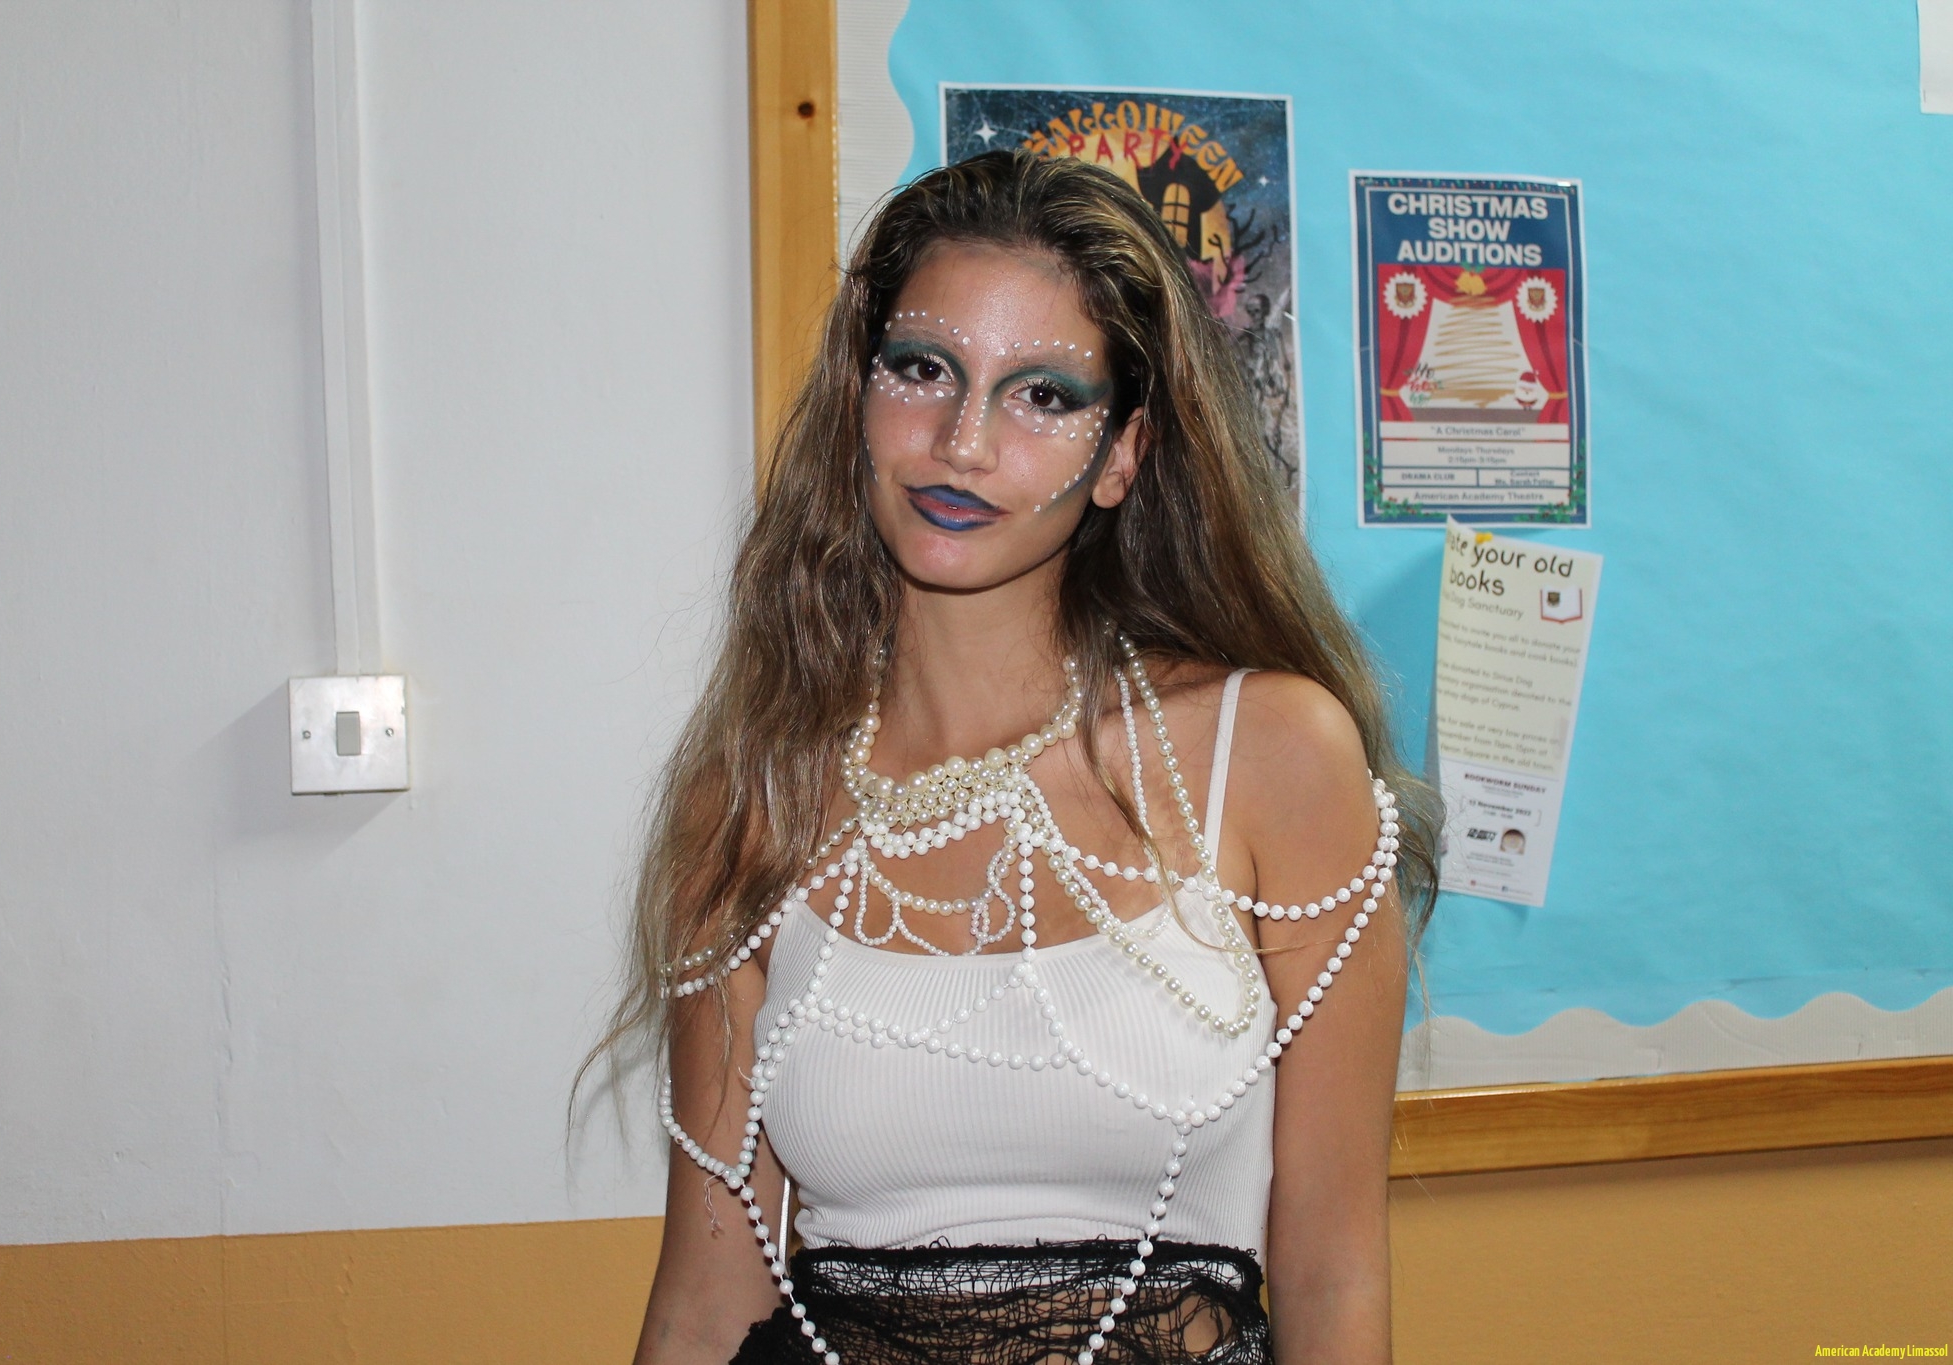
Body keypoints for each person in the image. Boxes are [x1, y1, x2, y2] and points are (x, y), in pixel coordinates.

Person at [595, 150, 1436, 1365]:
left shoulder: (1271, 754)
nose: (962, 442)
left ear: (1123, 453)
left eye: (1041, 394)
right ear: (856, 399)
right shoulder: (754, 797)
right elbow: (703, 1297)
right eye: (920, 369)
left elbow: (1335, 1272)